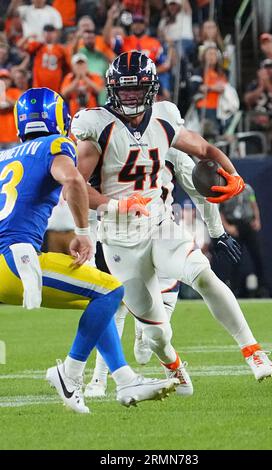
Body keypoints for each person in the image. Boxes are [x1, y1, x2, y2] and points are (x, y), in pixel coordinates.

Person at [71, 51, 272, 393]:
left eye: (138, 89)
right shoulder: (96, 126)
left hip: (158, 224)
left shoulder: (164, 119)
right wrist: (116, 204)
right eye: (125, 90)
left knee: (203, 274)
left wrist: (234, 175)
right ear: (112, 90)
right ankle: (174, 366)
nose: (131, 96)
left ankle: (253, 352)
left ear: (151, 89)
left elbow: (205, 150)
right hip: (119, 237)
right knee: (156, 335)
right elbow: (75, 189)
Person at [0, 86, 178, 413]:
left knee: (96, 294)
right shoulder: (56, 144)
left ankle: (125, 380)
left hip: (8, 262)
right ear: (59, 117)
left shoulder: (4, 156)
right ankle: (69, 373)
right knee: (110, 290)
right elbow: (73, 182)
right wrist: (83, 232)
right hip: (15, 260)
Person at [85, 148, 242, 398]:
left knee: (152, 340)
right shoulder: (110, 145)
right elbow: (88, 198)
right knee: (114, 306)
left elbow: (202, 194)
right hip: (122, 237)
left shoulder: (170, 146)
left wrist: (217, 232)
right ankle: (99, 379)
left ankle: (146, 334)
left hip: (163, 233)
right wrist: (88, 239)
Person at [219, 184, 269, 298]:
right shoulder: (224, 190)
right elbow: (220, 211)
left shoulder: (248, 189)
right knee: (234, 259)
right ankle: (233, 289)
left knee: (257, 256)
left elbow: (253, 204)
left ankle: (262, 287)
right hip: (234, 225)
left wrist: (257, 219)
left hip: (248, 223)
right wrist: (227, 227)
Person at [18, 24, 69, 93]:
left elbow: (68, 66)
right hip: (39, 86)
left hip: (55, 87)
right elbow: (20, 45)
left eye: (51, 32)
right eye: (46, 32)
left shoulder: (61, 49)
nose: (48, 34)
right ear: (43, 34)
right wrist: (28, 36)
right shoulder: (38, 46)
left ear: (55, 34)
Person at [0, 68, 21, 148]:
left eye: (6, 78)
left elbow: (18, 105)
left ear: (10, 81)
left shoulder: (15, 91)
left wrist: (3, 94)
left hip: (13, 137)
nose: (3, 81)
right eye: (1, 79)